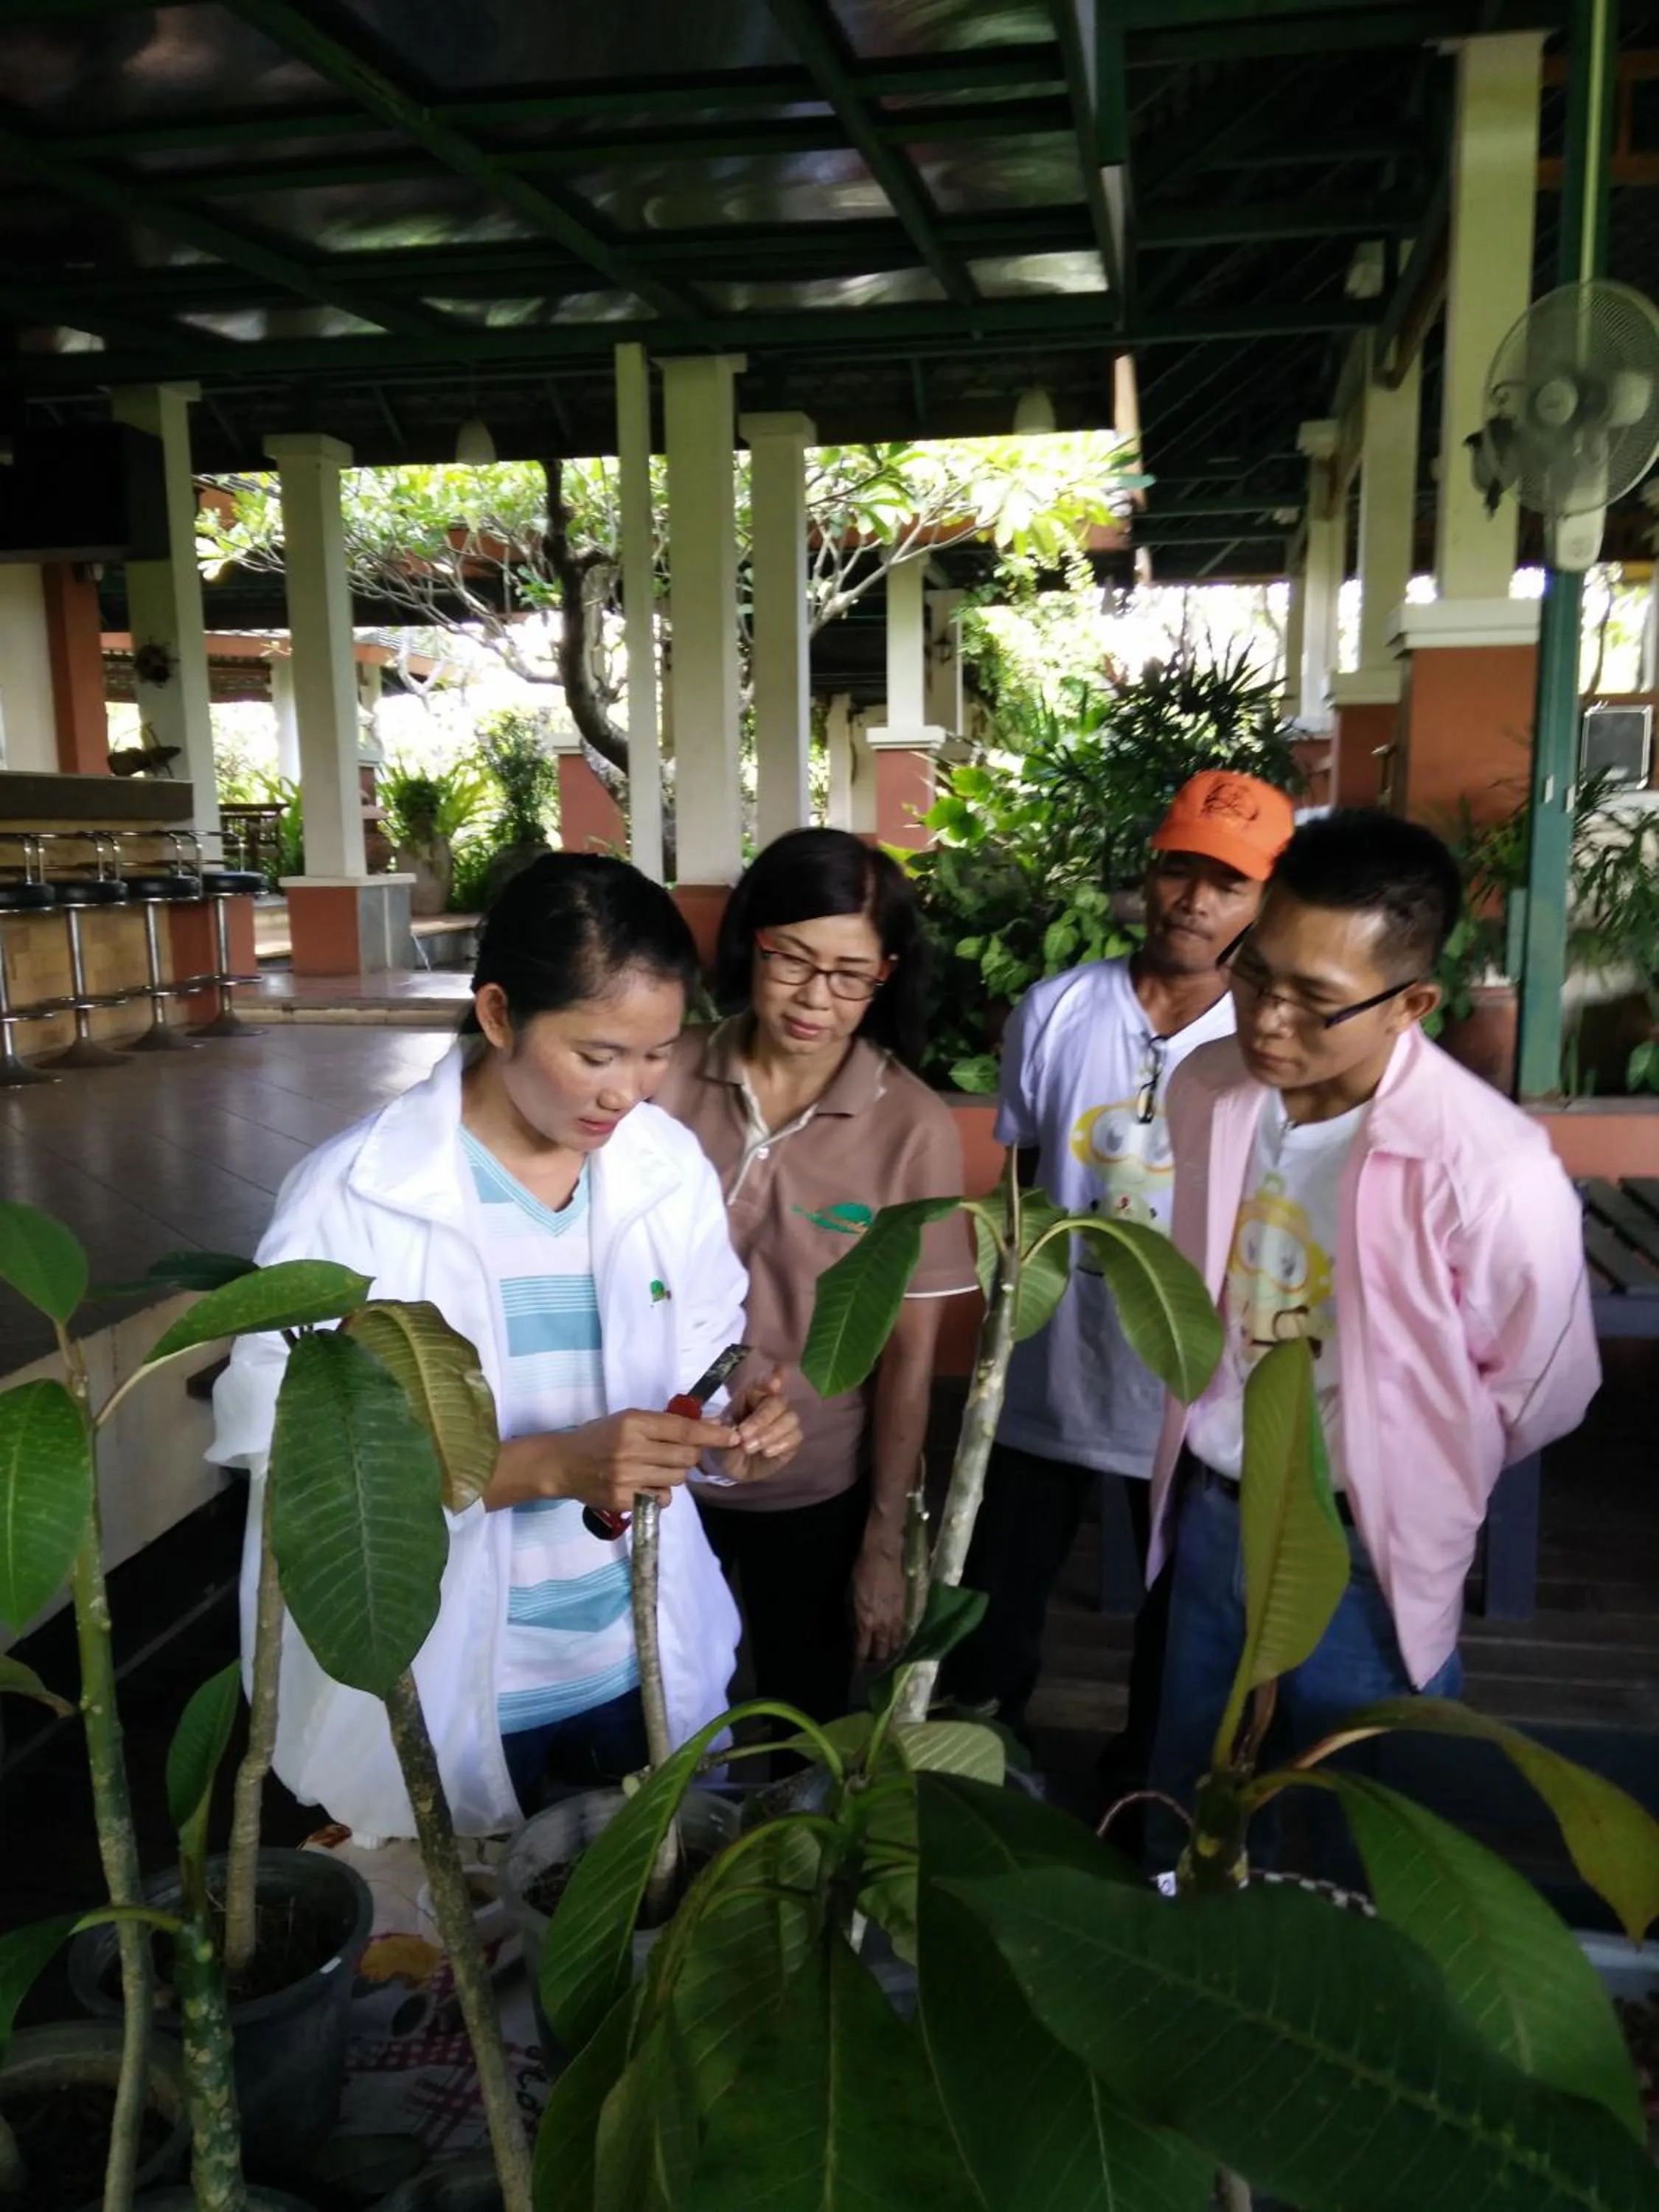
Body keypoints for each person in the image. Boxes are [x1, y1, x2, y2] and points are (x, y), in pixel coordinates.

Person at [211, 854, 800, 1841]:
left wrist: (733, 1420)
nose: (628, 1092)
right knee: (464, 1966)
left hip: (632, 1659)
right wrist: (543, 1467)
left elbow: (707, 1350)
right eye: (598, 1053)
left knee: (628, 1948)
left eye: (657, 1055)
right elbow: (285, 1455)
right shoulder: (355, 1197)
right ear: (496, 1015)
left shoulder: (664, 1168)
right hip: (452, 1682)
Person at [1146, 810, 1599, 1858]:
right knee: (1190, 1797)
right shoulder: (1209, 1091)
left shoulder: (1487, 1168)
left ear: (1412, 1005)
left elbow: (1543, 1384)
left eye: (1315, 1002)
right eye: (1257, 975)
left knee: (1355, 1819)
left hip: (1363, 1541)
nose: (1266, 1022)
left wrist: (1416, 1461)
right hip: (1217, 1506)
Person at [947, 769, 1295, 1799]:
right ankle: (979, 1782)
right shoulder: (1054, 1011)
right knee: (991, 1612)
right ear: (1146, 874)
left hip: (1189, 1386)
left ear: (1264, 904)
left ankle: (1139, 1803)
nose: (1195, 901)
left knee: (1179, 1628)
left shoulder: (1267, 1049)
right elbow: (1018, 1178)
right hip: (1044, 1373)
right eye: (1179, 869)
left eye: (1227, 884)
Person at [654, 828, 974, 1725]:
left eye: (849, 974)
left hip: (813, 1484)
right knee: (660, 1704)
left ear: (886, 975)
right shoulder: (664, 1076)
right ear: (751, 938)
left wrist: (882, 1543)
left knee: (801, 1717)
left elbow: (909, 1359)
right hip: (651, 1461)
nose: (815, 999)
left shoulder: (910, 1126)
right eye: (792, 959)